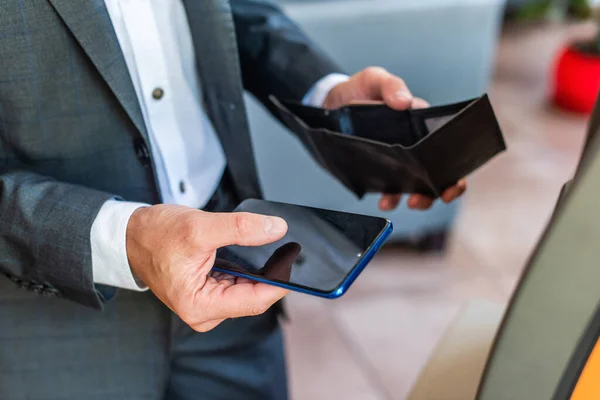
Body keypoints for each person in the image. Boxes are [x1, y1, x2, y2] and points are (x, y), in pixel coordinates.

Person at [0, 1, 466, 399]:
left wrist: (324, 92)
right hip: (48, 324)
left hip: (233, 272)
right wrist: (126, 240)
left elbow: (233, 10)